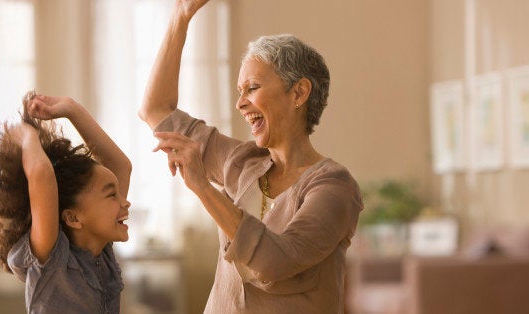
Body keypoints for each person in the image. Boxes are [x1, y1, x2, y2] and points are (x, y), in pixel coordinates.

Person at [137, 0, 363, 313]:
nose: (240, 104)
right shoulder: (242, 163)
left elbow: (275, 262)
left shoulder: (334, 187)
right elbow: (156, 109)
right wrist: (181, 16)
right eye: (240, 91)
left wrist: (203, 187)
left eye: (252, 88)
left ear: (298, 93)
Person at [0, 91, 132, 313]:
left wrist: (72, 109)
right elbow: (41, 175)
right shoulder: (52, 257)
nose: (125, 203)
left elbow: (121, 167)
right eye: (112, 195)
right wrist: (27, 136)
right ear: (72, 217)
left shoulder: (100, 250)